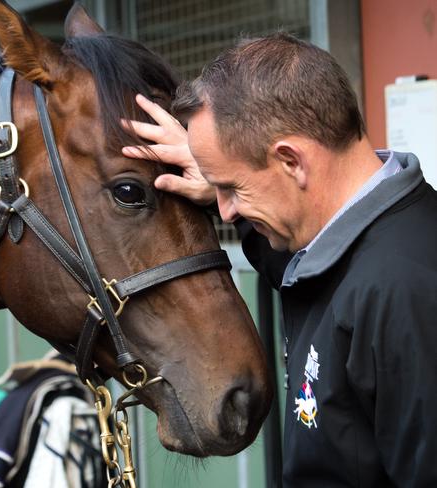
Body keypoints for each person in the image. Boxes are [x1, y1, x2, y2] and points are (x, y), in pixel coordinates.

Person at [121, 33, 437, 487]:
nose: (225, 210)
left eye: (232, 188)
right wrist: (218, 184)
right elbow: (297, 272)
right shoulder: (343, 243)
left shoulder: (407, 291)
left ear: (291, 161)